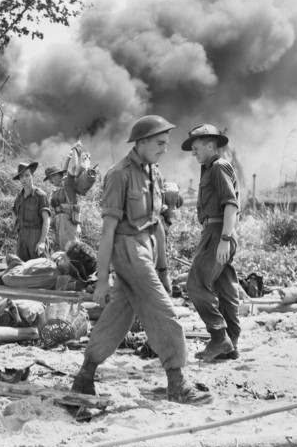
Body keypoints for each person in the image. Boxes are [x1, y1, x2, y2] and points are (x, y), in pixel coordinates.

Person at [70, 115, 212, 405]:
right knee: (163, 312)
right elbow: (108, 232)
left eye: (166, 144)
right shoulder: (118, 175)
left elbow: (157, 223)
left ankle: (85, 375)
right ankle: (176, 382)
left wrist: (164, 268)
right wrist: (101, 280)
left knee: (119, 315)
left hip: (145, 249)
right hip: (127, 251)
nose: (164, 149)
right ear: (142, 142)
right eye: (159, 143)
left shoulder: (154, 173)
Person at [181, 124, 241, 361]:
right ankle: (231, 344)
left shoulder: (218, 167)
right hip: (216, 231)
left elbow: (231, 204)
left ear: (209, 144)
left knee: (195, 284)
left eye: (196, 148)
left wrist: (225, 239)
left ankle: (219, 337)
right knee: (225, 289)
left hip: (218, 232)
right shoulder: (209, 169)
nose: (193, 154)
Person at [12, 162, 51, 261]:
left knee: (40, 270)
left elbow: (46, 220)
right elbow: (14, 211)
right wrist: (17, 227)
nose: (24, 179)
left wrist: (42, 241)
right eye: (21, 176)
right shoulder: (19, 197)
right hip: (22, 239)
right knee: (21, 269)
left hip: (36, 237)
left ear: (32, 175)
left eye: (27, 175)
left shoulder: (41, 196)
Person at [44, 166, 81, 251]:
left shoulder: (68, 184)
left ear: (57, 175)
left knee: (73, 253)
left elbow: (73, 167)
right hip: (60, 225)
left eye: (51, 177)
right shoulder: (57, 191)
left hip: (70, 226)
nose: (50, 181)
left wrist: (73, 154)